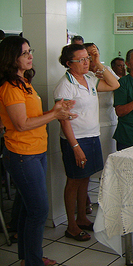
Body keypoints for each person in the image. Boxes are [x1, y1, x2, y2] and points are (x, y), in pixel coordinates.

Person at [0, 36, 76, 266]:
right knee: (39, 210)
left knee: (27, 208)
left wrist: (56, 110)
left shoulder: (24, 82)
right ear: (11, 58)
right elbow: (21, 124)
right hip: (22, 155)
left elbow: (32, 117)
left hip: (35, 151)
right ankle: (32, 261)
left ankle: (28, 258)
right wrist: (54, 114)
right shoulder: (10, 88)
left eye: (29, 51)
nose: (30, 56)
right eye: (24, 53)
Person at [53, 44, 119, 242]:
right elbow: (63, 119)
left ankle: (82, 217)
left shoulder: (90, 79)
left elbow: (114, 84)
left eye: (87, 58)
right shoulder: (65, 85)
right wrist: (75, 147)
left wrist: (98, 63)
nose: (85, 62)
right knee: (73, 180)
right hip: (75, 140)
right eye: (80, 60)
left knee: (85, 178)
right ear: (68, 64)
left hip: (91, 136)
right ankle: (71, 225)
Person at [83, 43, 119, 214]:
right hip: (90, 125)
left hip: (109, 123)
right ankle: (85, 199)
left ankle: (105, 198)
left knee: (107, 166)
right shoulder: (83, 75)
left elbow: (116, 85)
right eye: (89, 54)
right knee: (89, 169)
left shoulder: (104, 71)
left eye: (95, 53)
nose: (91, 57)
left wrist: (98, 64)